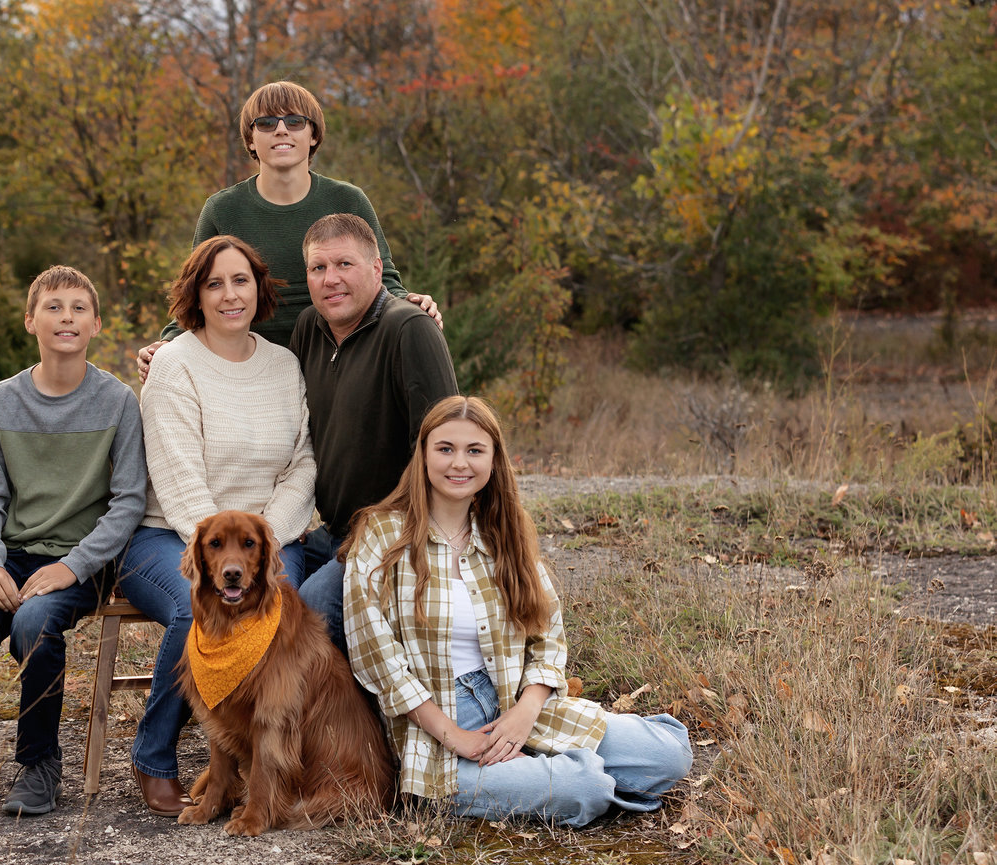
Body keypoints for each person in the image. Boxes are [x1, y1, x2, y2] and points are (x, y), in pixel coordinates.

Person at [344, 396, 693, 825]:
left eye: (475, 450)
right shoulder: (382, 534)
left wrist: (524, 716)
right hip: (436, 726)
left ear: (493, 460)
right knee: (584, 789)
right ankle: (564, 781)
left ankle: (544, 764)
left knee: (669, 755)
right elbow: (375, 657)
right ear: (423, 453)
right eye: (445, 448)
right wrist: (455, 737)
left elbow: (548, 636)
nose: (459, 463)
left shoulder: (502, 533)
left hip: (512, 701)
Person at [0, 266, 147, 820]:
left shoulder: (117, 401)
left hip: (79, 561)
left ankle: (39, 766)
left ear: (97, 324)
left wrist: (74, 566)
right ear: (30, 321)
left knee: (34, 624)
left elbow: (128, 501)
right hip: (11, 556)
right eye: (54, 306)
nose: (67, 317)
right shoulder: (2, 400)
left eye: (79, 308)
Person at [117, 235, 316, 817]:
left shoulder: (284, 366)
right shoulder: (175, 364)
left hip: (263, 544)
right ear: (195, 296)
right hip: (172, 538)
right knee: (196, 605)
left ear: (260, 289)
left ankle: (244, 761)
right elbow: (179, 483)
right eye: (214, 283)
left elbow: (304, 462)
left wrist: (262, 545)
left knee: (282, 609)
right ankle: (154, 757)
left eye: (241, 281)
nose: (230, 295)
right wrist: (221, 556)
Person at [137, 80, 440, 378]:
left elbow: (381, 276)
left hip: (339, 360)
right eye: (266, 123)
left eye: (295, 121)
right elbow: (197, 292)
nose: (281, 129)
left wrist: (410, 303)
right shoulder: (222, 209)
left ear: (313, 135)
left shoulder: (348, 200)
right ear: (251, 140)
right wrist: (167, 342)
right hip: (250, 367)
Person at [292, 213, 459, 654]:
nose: (331, 279)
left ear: (375, 268)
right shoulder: (309, 329)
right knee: (258, 582)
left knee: (313, 607)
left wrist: (399, 534)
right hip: (333, 532)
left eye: (344, 264)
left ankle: (354, 721)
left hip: (396, 533)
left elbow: (445, 452)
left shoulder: (409, 330)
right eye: (318, 268)